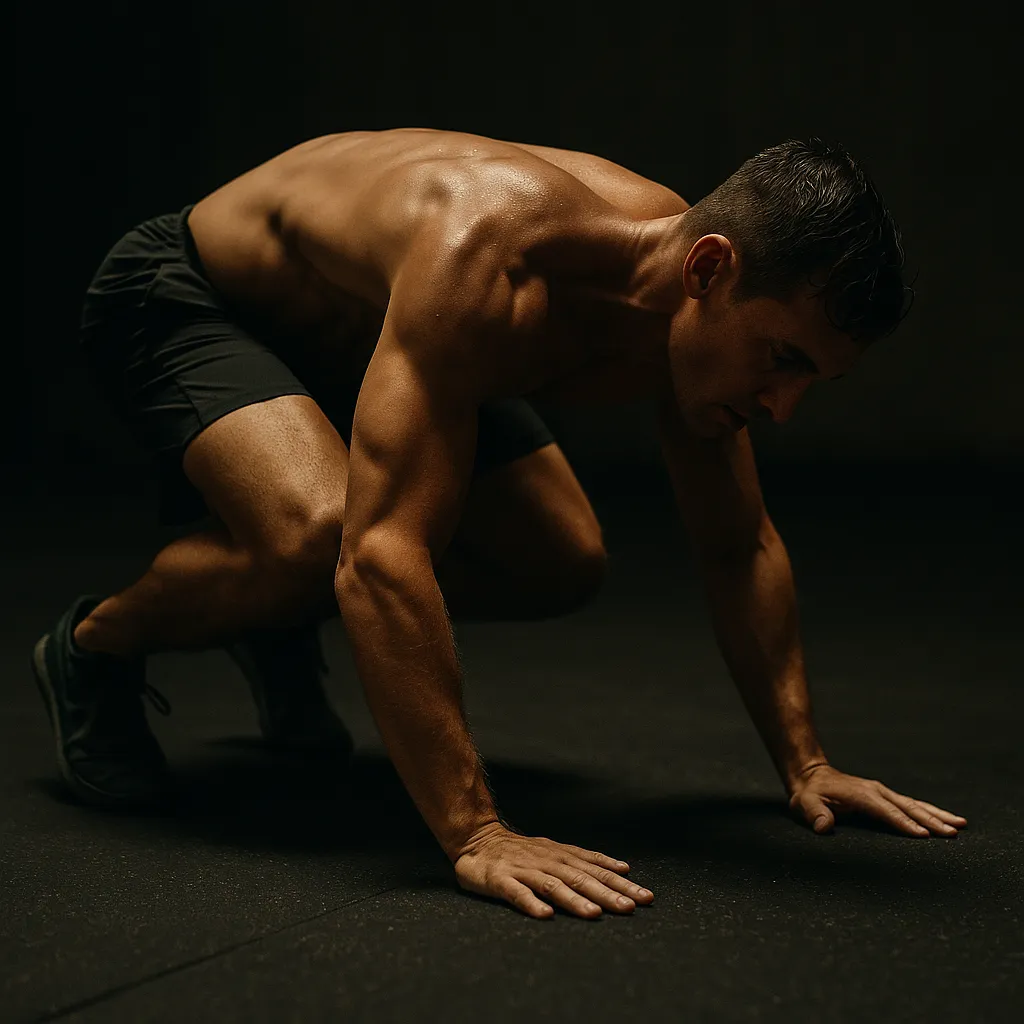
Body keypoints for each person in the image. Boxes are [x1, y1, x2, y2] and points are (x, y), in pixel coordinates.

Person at [32, 128, 967, 921]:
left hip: (375, 328)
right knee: (333, 537)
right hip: (190, 292)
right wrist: (475, 830)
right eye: (782, 360)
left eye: (812, 380)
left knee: (561, 557)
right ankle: (94, 646)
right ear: (709, 269)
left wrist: (806, 763)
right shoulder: (492, 254)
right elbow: (382, 554)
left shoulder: (676, 302)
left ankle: (263, 613)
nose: (784, 406)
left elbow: (738, 541)